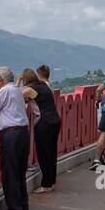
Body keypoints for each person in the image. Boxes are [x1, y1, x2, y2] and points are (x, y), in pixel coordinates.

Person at [0, 66, 30, 210]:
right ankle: (23, 206)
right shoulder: (17, 89)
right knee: (19, 171)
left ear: (0, 80)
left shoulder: (4, 91)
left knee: (10, 171)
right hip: (23, 132)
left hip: (11, 134)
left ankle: (14, 209)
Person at [21, 66, 62, 194]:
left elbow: (15, 96)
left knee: (43, 154)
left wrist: (17, 82)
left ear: (26, 80)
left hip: (44, 122)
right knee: (51, 153)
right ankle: (51, 181)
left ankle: (46, 185)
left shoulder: (30, 89)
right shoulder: (44, 86)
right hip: (55, 120)